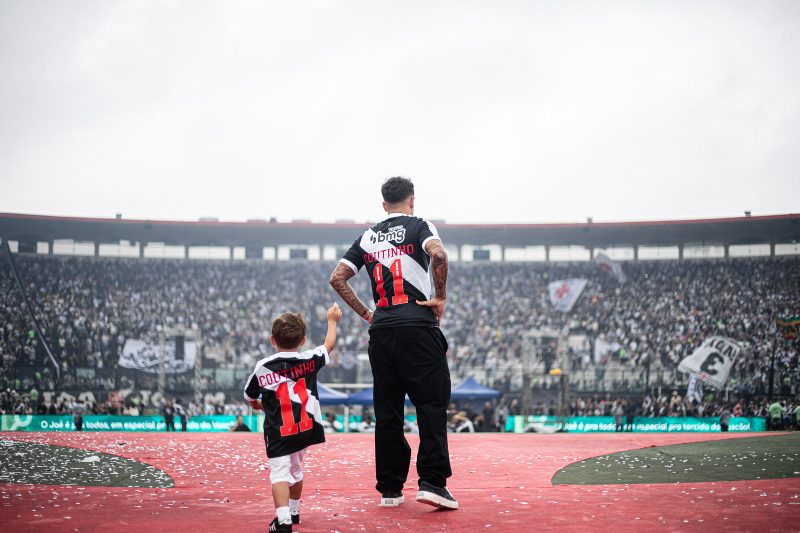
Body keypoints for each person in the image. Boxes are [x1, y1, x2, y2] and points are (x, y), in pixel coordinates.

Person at [330, 176, 457, 510]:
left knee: (388, 411)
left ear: (383, 205)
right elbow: (439, 256)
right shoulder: (419, 225)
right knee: (431, 405)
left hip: (383, 329)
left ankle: (390, 488)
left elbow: (337, 277)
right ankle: (432, 483)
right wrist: (440, 296)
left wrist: (368, 314)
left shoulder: (368, 236)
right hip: (417, 326)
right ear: (412, 200)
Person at [243, 303, 342, 533]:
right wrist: (332, 320)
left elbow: (249, 394)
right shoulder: (309, 359)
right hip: (304, 427)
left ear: (272, 340)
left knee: (279, 473)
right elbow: (329, 345)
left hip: (278, 431)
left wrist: (256, 404)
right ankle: (295, 511)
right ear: (303, 340)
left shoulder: (263, 367)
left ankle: (284, 519)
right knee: (296, 470)